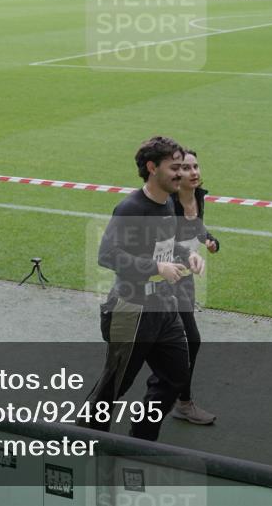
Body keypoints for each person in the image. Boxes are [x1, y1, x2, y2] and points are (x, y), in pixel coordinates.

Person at [79, 136, 205, 441]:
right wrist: (156, 268)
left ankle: (141, 441)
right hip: (130, 309)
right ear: (152, 168)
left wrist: (186, 254)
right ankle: (85, 445)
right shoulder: (130, 208)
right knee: (113, 386)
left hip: (164, 308)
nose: (182, 174)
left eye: (183, 167)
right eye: (174, 167)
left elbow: (166, 244)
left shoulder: (167, 204)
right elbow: (107, 256)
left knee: (175, 376)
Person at [168, 149, 220, 425]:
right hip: (161, 281)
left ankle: (180, 401)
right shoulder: (168, 203)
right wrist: (187, 255)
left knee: (184, 341)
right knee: (188, 340)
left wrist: (210, 240)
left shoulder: (199, 196)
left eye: (196, 166)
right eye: (187, 168)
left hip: (184, 279)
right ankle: (181, 401)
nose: (194, 172)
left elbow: (198, 228)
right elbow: (159, 243)